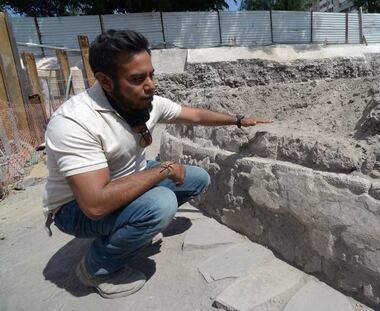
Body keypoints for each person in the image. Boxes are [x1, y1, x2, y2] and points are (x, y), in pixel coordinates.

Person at [43, 29, 272, 299]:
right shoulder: (75, 122)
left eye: (151, 74)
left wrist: (237, 119)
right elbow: (95, 204)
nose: (151, 85)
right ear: (105, 80)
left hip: (124, 181)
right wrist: (162, 170)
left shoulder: (144, 101)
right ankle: (97, 268)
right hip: (75, 208)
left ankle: (133, 226)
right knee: (161, 204)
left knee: (198, 178)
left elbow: (194, 115)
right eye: (138, 79)